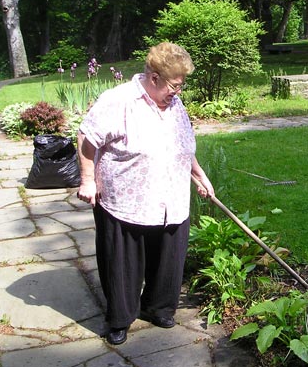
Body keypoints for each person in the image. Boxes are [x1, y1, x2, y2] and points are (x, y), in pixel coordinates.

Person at [76, 42, 214, 345]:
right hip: (125, 200)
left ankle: (158, 307)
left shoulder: (174, 103)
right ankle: (120, 318)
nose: (178, 91)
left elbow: (182, 145)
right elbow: (87, 138)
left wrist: (197, 174)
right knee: (122, 263)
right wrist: (87, 180)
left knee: (168, 257)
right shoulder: (119, 101)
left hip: (171, 199)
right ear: (153, 78)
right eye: (174, 86)